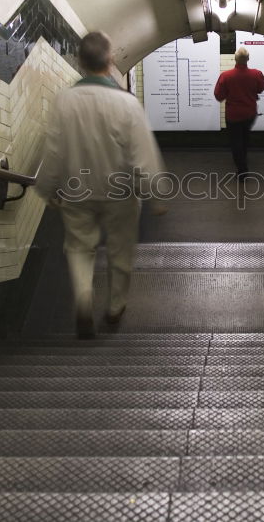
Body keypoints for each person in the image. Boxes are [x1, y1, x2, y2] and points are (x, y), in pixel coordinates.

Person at [36, 31, 165, 338]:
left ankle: (83, 298)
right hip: (121, 193)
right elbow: (143, 152)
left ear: (80, 62)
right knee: (121, 251)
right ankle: (115, 307)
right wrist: (156, 193)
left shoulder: (64, 101)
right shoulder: (127, 104)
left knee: (79, 247)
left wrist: (45, 188)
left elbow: (53, 150)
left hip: (76, 190)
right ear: (110, 61)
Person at [214, 47, 264, 179]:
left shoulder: (226, 76)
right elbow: (260, 88)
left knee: (235, 140)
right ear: (247, 59)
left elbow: (219, 95)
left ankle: (242, 169)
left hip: (233, 115)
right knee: (245, 136)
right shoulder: (257, 74)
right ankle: (242, 157)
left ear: (235, 59)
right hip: (250, 113)